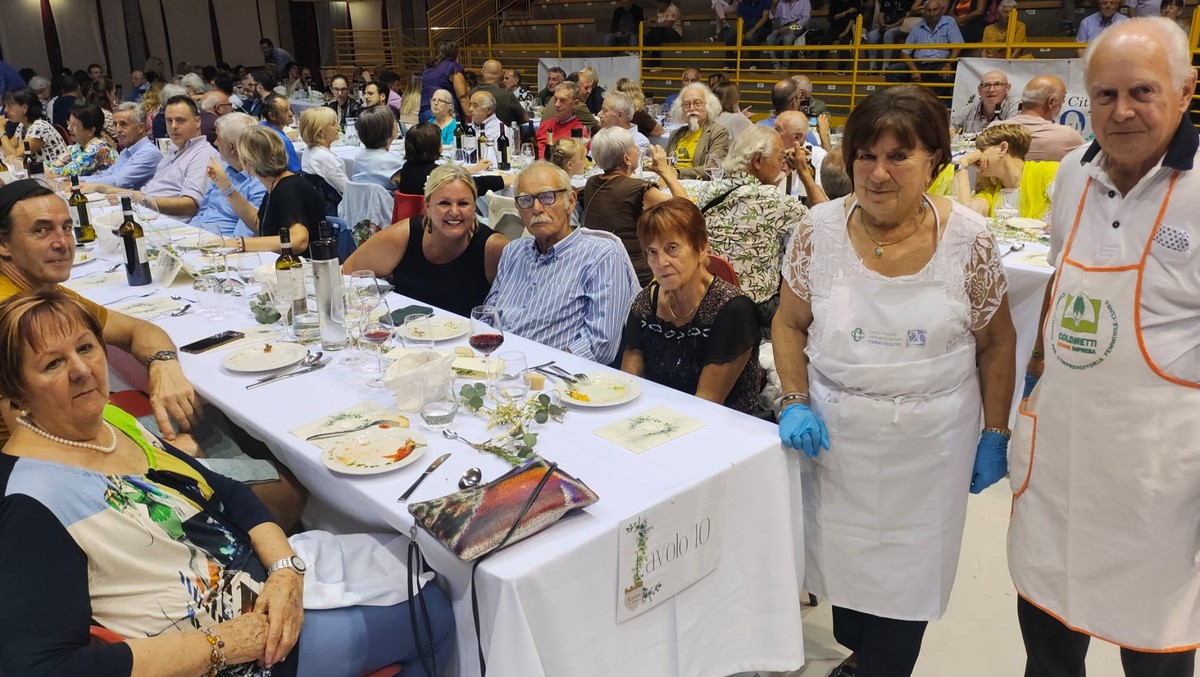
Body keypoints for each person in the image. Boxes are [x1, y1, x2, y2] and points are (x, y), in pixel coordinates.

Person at [0, 290, 455, 677]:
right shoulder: (29, 504)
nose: (81, 370)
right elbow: (41, 668)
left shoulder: (107, 425)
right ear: (15, 392)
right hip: (236, 654)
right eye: (52, 364)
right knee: (434, 611)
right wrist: (221, 644)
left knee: (422, 558)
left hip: (259, 593)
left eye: (86, 348)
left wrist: (285, 571)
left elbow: (226, 492)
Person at [773, 85, 1015, 677]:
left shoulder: (969, 239)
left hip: (928, 452)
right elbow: (788, 322)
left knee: (905, 597)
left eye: (898, 156)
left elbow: (997, 342)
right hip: (837, 443)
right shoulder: (818, 230)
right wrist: (795, 399)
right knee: (846, 590)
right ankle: (859, 654)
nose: (878, 173)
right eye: (866, 156)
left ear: (934, 161)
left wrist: (995, 432)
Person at [1010, 19, 1200, 675]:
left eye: (1142, 91)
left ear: (1185, 90)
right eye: (1105, 95)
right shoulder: (1072, 174)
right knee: (1048, 648)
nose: (1121, 112)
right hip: (1060, 470)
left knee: (1153, 655)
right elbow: (1061, 286)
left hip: (1158, 487)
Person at [0, 181, 199, 448]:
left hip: (91, 431)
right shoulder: (13, 314)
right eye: (41, 230)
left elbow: (137, 330)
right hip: (75, 457)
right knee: (212, 433)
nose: (62, 243)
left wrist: (164, 364)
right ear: (3, 243)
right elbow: (39, 453)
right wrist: (160, 451)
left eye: (66, 227)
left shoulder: (45, 293)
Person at [486, 161, 640, 365]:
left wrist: (539, 368)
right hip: (497, 363)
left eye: (547, 197)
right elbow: (488, 315)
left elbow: (600, 345)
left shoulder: (601, 255)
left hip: (554, 374)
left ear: (571, 201)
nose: (537, 208)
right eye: (526, 200)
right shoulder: (513, 251)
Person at [622, 198, 766, 413]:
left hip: (722, 425)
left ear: (701, 248)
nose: (661, 262)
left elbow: (707, 403)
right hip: (653, 417)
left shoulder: (733, 310)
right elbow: (629, 383)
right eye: (652, 251)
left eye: (672, 248)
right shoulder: (646, 303)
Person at [685, 125, 812, 330]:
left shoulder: (708, 190)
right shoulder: (773, 200)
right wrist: (804, 173)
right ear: (758, 160)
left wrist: (778, 160)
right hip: (755, 308)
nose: (783, 164)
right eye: (780, 157)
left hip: (708, 298)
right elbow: (825, 224)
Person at [344, 163, 509, 316]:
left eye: (463, 203)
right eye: (444, 203)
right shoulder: (403, 236)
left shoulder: (493, 249)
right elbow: (347, 273)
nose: (454, 212)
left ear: (475, 207)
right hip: (404, 334)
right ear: (428, 206)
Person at [581, 127, 689, 284]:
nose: (637, 149)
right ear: (627, 159)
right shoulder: (639, 190)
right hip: (634, 274)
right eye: (633, 146)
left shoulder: (592, 182)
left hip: (598, 268)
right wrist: (666, 171)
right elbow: (686, 209)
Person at [108, 95, 219, 222]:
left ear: (197, 122)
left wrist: (141, 199)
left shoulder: (203, 154)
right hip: (145, 214)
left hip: (167, 224)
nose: (173, 126)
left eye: (180, 120)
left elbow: (191, 205)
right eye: (169, 121)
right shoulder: (173, 150)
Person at [954, 123, 1057, 220]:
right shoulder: (992, 194)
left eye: (981, 150)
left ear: (1002, 149)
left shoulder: (1048, 172)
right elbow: (965, 216)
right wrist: (962, 165)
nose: (977, 156)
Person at [198, 113, 268, 238]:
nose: (215, 142)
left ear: (231, 147)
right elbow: (203, 211)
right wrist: (190, 234)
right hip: (199, 237)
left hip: (224, 243)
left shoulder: (260, 183)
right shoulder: (224, 169)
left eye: (218, 139)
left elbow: (244, 236)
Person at [989, 75, 1085, 162]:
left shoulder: (993, 130)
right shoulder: (1068, 136)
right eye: (1062, 100)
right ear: (1051, 102)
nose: (1062, 104)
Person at [397, 122, 506, 196]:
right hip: (432, 220)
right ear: (435, 146)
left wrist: (475, 168)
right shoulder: (435, 174)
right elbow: (477, 184)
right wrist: (508, 179)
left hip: (408, 218)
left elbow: (450, 172)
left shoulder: (406, 168)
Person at [80, 102, 161, 190]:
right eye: (115, 124)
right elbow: (108, 174)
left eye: (123, 124)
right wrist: (75, 180)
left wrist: (78, 184)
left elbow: (117, 182)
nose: (117, 130)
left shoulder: (149, 153)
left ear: (140, 128)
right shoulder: (127, 151)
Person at [886, 0, 963, 91]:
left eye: (935, 10)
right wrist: (914, 70)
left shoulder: (949, 22)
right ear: (924, 11)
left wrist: (948, 65)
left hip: (939, 64)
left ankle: (937, 100)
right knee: (891, 71)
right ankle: (901, 98)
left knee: (949, 76)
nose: (932, 13)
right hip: (918, 65)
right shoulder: (917, 27)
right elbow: (904, 53)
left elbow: (958, 46)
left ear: (941, 10)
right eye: (928, 10)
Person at [665, 83, 730, 179]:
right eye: (687, 105)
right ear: (681, 109)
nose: (692, 108)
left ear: (708, 106)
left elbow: (713, 168)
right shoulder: (675, 134)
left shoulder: (718, 133)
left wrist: (677, 173)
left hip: (696, 184)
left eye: (697, 103)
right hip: (670, 181)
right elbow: (665, 162)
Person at [0, 87, 67, 168]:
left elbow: (16, 156)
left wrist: (1, 130)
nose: (6, 110)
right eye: (5, 106)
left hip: (57, 172)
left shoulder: (39, 127)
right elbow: (7, 151)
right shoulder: (22, 126)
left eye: (10, 106)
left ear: (25, 107)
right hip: (39, 172)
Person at [46, 104, 116, 177]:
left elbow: (68, 172)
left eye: (75, 125)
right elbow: (54, 163)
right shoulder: (78, 146)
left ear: (91, 131)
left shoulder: (98, 148)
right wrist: (49, 166)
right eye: (69, 123)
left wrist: (48, 169)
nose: (69, 128)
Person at [775, 111, 830, 204]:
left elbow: (824, 201)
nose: (773, 133)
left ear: (796, 137)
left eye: (777, 130)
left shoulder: (818, 156)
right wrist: (782, 158)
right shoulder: (771, 154)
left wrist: (803, 170)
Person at [350, 105, 406, 190]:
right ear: (388, 129)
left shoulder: (358, 158)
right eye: (394, 121)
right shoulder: (394, 163)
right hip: (386, 198)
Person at [299, 106, 348, 196]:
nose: (338, 127)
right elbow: (347, 189)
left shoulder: (308, 150)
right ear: (320, 132)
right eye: (333, 124)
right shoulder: (327, 159)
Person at [951, 70, 1019, 134]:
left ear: (1007, 88)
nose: (991, 90)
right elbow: (950, 126)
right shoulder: (970, 109)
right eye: (987, 85)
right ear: (979, 90)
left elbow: (1011, 133)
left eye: (997, 84)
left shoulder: (1015, 106)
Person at [420, 40, 470, 123]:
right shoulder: (453, 67)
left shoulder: (427, 68)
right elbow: (462, 95)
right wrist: (470, 117)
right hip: (444, 111)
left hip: (425, 110)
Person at [535, 83, 589, 158]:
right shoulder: (545, 125)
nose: (556, 104)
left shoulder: (579, 133)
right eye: (555, 99)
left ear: (575, 104)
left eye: (563, 100)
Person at [472, 59, 528, 126]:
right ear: (501, 74)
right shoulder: (507, 95)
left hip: (475, 132)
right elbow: (525, 119)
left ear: (482, 71)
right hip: (503, 131)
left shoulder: (471, 93)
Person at [865, 0, 917, 70]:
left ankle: (885, 66)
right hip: (886, 25)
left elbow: (906, 18)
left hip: (900, 27)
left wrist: (891, 26)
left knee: (888, 34)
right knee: (871, 35)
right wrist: (882, 24)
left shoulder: (908, 1)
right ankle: (872, 65)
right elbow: (881, 15)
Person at [261, 93, 302, 173]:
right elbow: (296, 171)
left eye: (289, 108)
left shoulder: (260, 126)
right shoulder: (281, 141)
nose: (291, 114)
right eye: (285, 111)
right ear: (272, 116)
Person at [724, 0, 772, 67]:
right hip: (746, 28)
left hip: (762, 28)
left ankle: (755, 66)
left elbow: (765, 17)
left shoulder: (765, 1)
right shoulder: (742, 4)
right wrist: (741, 33)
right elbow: (739, 19)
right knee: (731, 37)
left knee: (754, 38)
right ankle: (730, 66)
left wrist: (753, 29)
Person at [767, 0, 812, 69]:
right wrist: (774, 5)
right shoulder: (781, 2)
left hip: (798, 29)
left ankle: (785, 67)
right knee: (770, 38)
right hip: (783, 29)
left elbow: (806, 20)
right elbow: (772, 17)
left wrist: (789, 27)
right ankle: (776, 65)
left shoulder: (804, 1)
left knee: (787, 39)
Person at [645, 0, 684, 68]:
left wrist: (654, 25)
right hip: (660, 33)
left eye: (659, 3)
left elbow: (667, 25)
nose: (657, 5)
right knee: (655, 35)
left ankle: (647, 51)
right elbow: (659, 23)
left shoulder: (673, 9)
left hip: (674, 33)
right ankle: (655, 62)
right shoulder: (659, 10)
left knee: (656, 32)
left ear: (664, 3)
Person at [469, 90, 503, 164]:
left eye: (475, 106)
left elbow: (494, 159)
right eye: (470, 105)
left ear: (489, 110)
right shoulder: (471, 126)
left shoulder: (498, 130)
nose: (470, 109)